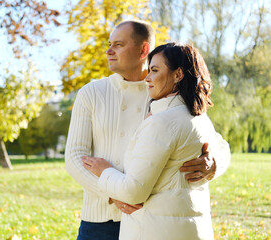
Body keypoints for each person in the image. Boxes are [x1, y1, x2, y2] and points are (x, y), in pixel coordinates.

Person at [65, 20, 230, 240]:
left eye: (119, 44)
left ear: (143, 49)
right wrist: (114, 195)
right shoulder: (91, 93)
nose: (109, 50)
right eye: (109, 43)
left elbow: (214, 140)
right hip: (101, 217)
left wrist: (214, 164)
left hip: (151, 218)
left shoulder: (167, 90)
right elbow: (75, 156)